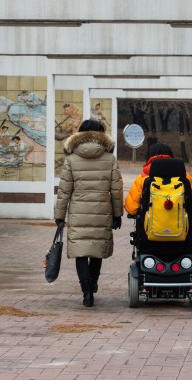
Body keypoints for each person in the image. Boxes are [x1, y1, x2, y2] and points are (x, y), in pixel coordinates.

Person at [54, 119, 124, 307]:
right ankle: (93, 283)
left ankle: (86, 292)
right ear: (101, 134)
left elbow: (64, 190)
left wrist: (59, 216)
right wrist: (118, 214)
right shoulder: (109, 158)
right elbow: (116, 189)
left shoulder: (71, 158)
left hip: (79, 212)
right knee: (96, 251)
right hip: (102, 211)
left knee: (81, 252)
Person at [124, 142, 192, 218]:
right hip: (181, 229)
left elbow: (131, 209)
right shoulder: (185, 177)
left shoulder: (142, 179)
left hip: (148, 230)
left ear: (149, 156)